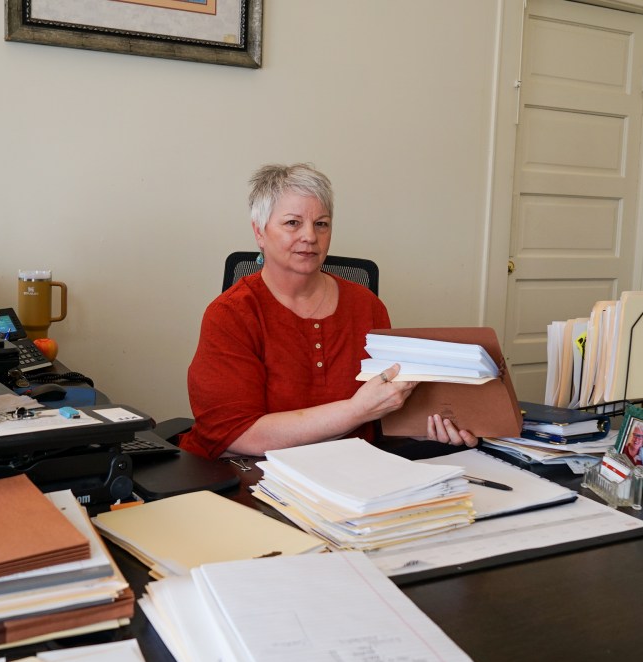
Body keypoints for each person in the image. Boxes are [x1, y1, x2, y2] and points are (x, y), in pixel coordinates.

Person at [178, 163, 476, 460]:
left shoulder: (366, 305)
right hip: (254, 475)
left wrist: (427, 428)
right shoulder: (231, 314)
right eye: (293, 223)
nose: (310, 236)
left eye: (321, 223)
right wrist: (355, 411)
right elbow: (239, 434)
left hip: (352, 473)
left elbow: (384, 414)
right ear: (259, 232)